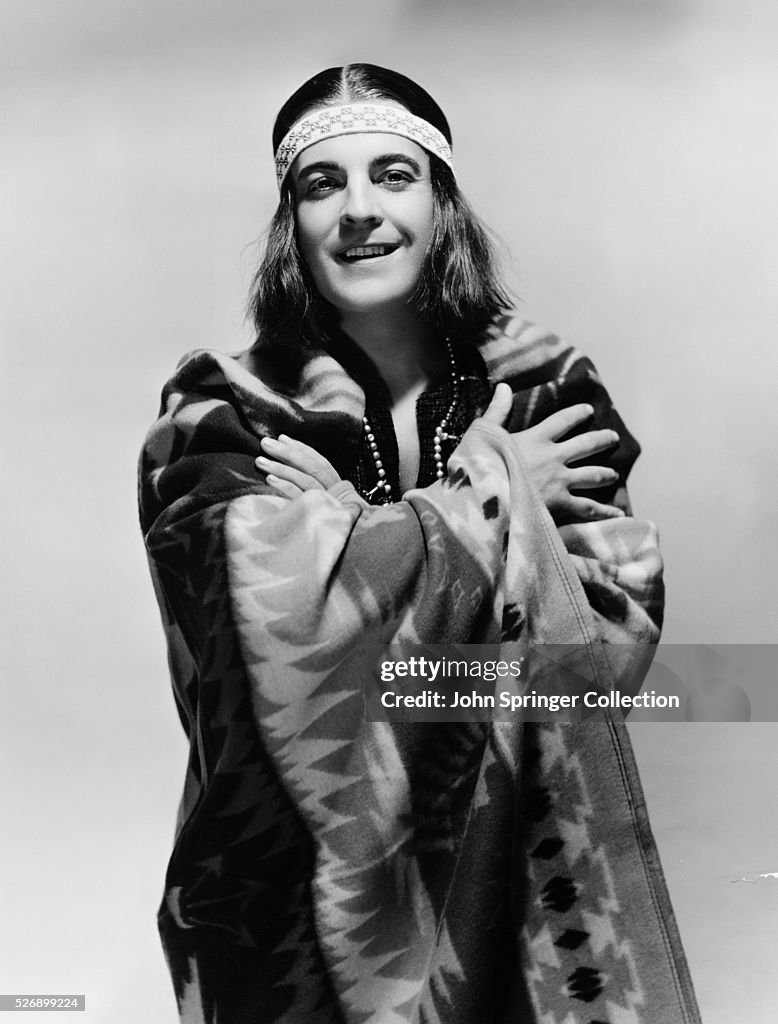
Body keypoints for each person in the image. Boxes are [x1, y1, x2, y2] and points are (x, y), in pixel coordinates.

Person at [139, 64, 701, 1024]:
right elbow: (237, 644)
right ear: (292, 222)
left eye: (393, 176)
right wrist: (493, 500)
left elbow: (604, 644)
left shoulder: (545, 388)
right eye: (325, 185)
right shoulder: (221, 409)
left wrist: (353, 549)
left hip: (518, 875)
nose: (359, 210)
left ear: (442, 204)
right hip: (282, 899)